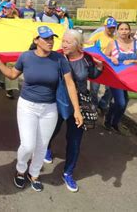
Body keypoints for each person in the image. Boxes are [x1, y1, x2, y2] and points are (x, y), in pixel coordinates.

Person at [0, 26, 83, 192]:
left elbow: (70, 84)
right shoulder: (26, 57)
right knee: (28, 145)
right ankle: (20, 170)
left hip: (49, 109)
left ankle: (34, 174)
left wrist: (76, 109)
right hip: (27, 106)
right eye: (46, 38)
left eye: (52, 38)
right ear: (36, 41)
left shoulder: (59, 59)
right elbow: (12, 74)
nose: (50, 41)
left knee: (42, 145)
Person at [45, 30, 103, 192]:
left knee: (75, 140)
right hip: (59, 100)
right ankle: (47, 148)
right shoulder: (57, 57)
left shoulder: (86, 58)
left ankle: (68, 172)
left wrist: (99, 66)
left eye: (68, 42)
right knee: (52, 130)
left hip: (81, 104)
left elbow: (92, 74)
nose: (63, 44)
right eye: (63, 41)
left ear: (78, 45)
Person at [103, 22, 137, 134]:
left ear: (130, 31)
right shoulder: (113, 43)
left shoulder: (136, 44)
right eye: (121, 29)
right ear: (117, 31)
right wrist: (111, 58)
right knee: (121, 102)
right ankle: (110, 121)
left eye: (126, 29)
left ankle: (113, 122)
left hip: (130, 78)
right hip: (115, 77)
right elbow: (104, 57)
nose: (124, 31)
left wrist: (133, 60)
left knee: (125, 101)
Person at [86, 17, 117, 109]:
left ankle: (103, 103)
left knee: (110, 89)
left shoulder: (116, 38)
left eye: (113, 28)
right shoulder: (98, 35)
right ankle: (94, 107)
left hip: (109, 67)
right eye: (109, 27)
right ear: (104, 26)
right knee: (94, 89)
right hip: (97, 66)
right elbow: (88, 44)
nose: (111, 30)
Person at [0, 2, 20, 98]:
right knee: (1, 63)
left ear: (12, 10)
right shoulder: (1, 19)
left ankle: (10, 89)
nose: (4, 10)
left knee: (11, 65)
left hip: (13, 46)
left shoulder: (17, 20)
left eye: (7, 8)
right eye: (4, 8)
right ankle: (1, 81)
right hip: (2, 44)